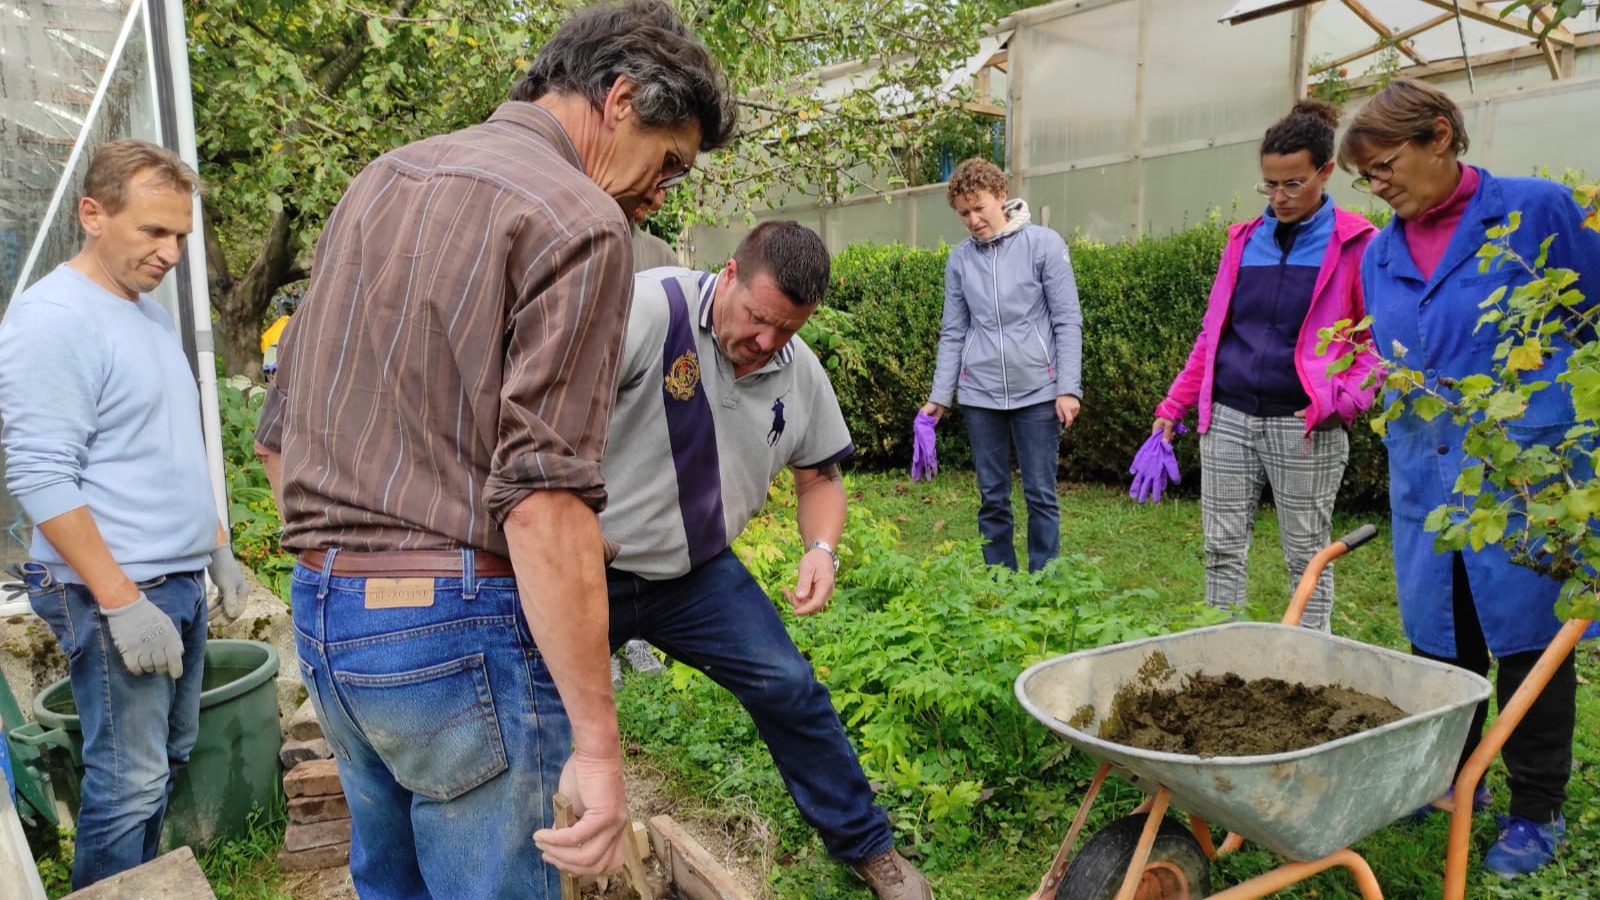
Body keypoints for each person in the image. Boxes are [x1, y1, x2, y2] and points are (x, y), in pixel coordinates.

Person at [250, 1, 736, 895]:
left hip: (324, 614)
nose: (665, 191)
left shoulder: (378, 180)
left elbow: (279, 436)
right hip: (456, 633)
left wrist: (360, 573)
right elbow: (544, 499)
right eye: (671, 163)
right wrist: (599, 749)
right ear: (621, 98)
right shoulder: (582, 222)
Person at [603, 221, 932, 899]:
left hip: (695, 575)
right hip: (587, 568)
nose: (766, 344)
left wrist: (821, 549)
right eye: (757, 320)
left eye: (786, 330)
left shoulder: (796, 367)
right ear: (727, 274)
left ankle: (870, 849)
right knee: (529, 708)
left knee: (790, 687)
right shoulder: (644, 310)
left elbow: (821, 477)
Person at [1339, 77, 1600, 879]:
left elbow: (1590, 322)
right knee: (1443, 640)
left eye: (1385, 165)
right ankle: (1458, 779)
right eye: (1367, 176)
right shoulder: (1382, 250)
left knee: (1529, 643)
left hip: (1525, 473)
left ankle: (1535, 808)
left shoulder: (1536, 211)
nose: (1378, 186)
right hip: (1427, 475)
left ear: (1441, 136)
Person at [0, 139, 248, 889]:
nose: (171, 252)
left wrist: (214, 542)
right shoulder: (54, 320)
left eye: (180, 234)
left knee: (166, 763)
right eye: (153, 232)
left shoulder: (141, 313)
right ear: (93, 215)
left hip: (171, 579)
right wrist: (119, 600)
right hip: (115, 592)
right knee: (129, 780)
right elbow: (40, 474)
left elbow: (165, 446)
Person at [1149, 99, 1379, 632]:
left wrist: (1340, 402)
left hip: (1304, 425)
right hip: (1228, 417)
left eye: (1293, 184)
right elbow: (1213, 335)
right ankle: (1223, 655)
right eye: (1269, 185)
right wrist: (1173, 404)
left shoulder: (1357, 243)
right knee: (1221, 548)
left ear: (1325, 171)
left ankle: (1310, 663)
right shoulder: (1242, 241)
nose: (1279, 198)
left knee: (1307, 556)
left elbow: (1377, 343)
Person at [920, 158, 1083, 572]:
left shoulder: (1044, 245)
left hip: (1039, 392)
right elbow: (954, 331)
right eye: (964, 213)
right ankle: (1000, 579)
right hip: (980, 395)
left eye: (980, 208)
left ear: (1001, 197)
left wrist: (1067, 387)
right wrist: (940, 396)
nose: (973, 220)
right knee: (992, 495)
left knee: (1039, 493)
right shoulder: (959, 261)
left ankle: (1045, 580)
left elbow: (1067, 320)